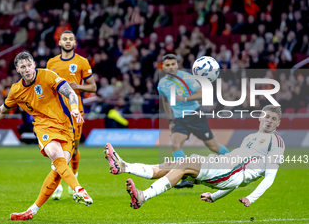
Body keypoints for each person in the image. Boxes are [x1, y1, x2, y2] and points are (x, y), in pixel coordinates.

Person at [0, 52, 93, 220]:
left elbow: (70, 93)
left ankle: (32, 211)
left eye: (29, 65)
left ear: (34, 64)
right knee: (56, 156)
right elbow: (1, 112)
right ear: (17, 69)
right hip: (43, 127)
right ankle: (80, 190)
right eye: (23, 67)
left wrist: (73, 107)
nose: (27, 69)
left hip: (66, 126)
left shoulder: (48, 75)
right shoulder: (16, 90)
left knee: (59, 169)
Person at [104, 105, 285, 209]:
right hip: (225, 167)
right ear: (260, 117)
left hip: (229, 172)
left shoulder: (276, 143)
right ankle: (124, 166)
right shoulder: (250, 138)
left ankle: (143, 196)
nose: (269, 120)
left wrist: (251, 198)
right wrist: (215, 196)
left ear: (278, 122)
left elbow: (268, 177)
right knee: (173, 164)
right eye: (267, 116)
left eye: (274, 119)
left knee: (185, 164)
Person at [158, 54, 229, 188]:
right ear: (164, 67)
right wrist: (170, 121)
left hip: (195, 115)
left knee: (213, 147)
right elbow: (165, 100)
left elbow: (202, 93)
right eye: (168, 65)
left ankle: (234, 164)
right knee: (175, 144)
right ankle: (186, 178)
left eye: (173, 64)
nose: (171, 67)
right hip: (179, 119)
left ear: (177, 65)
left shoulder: (186, 77)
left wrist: (184, 99)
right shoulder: (162, 84)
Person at [46, 30, 97, 199]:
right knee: (58, 148)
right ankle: (58, 185)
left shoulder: (82, 62)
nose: (67, 42)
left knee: (73, 149)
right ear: (59, 42)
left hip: (76, 111)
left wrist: (79, 87)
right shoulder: (51, 63)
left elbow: (93, 87)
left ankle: (74, 174)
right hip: (56, 112)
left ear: (75, 43)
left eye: (70, 39)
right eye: (64, 39)